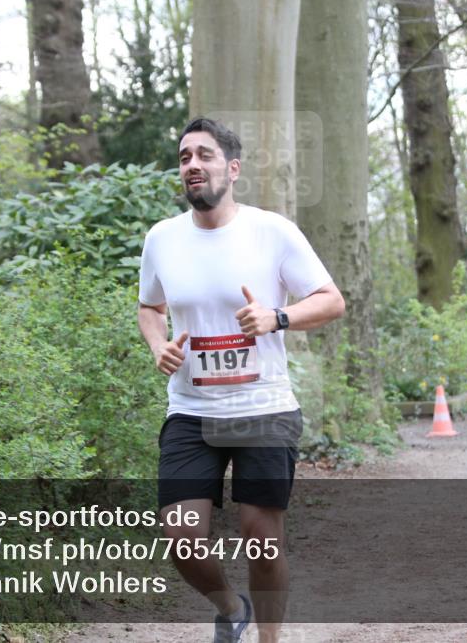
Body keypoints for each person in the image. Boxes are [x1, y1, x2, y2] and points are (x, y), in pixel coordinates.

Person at [137, 117, 345, 643]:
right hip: (190, 408)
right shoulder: (162, 239)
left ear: (232, 169)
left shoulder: (271, 230)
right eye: (184, 157)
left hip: (263, 405)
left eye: (204, 155)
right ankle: (230, 607)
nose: (192, 165)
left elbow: (331, 300)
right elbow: (149, 307)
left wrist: (277, 317)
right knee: (181, 536)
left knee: (261, 538)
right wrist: (159, 344)